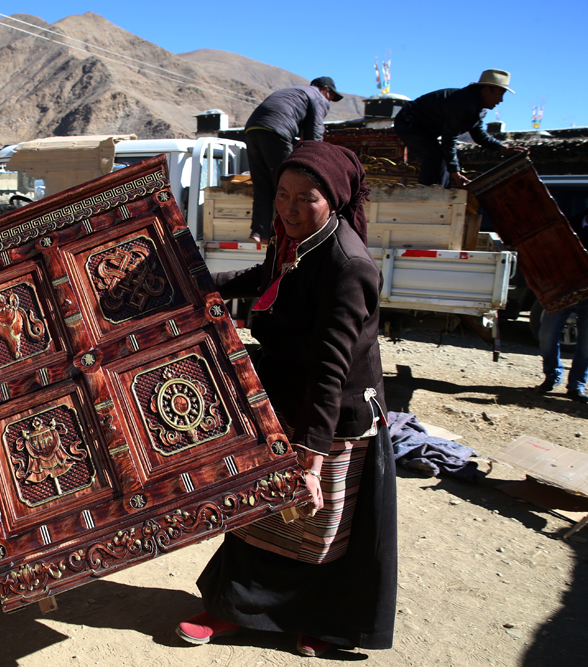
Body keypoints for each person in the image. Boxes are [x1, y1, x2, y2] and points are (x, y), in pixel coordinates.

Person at [176, 141, 397, 657]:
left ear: (335, 199)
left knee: (316, 523)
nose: (290, 209)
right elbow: (265, 278)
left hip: (332, 415)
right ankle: (231, 607)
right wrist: (201, 284)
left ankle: (317, 620)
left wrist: (312, 457)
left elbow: (330, 368)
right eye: (282, 195)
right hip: (280, 396)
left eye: (306, 199)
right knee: (255, 511)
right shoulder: (294, 240)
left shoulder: (349, 266)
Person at [245, 76, 344, 243]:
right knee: (286, 186)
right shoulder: (318, 96)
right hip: (277, 130)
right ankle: (283, 233)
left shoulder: (296, 93)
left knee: (262, 183)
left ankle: (259, 231)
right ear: (325, 89)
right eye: (331, 96)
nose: (329, 101)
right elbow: (315, 133)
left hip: (252, 129)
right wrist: (315, 163)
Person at [393, 69, 525, 188]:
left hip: (426, 129)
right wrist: (456, 174)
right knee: (435, 157)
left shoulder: (478, 109)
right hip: (409, 122)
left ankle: (439, 191)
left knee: (441, 158)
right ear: (486, 90)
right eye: (499, 94)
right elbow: (449, 139)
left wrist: (504, 148)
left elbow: (479, 135)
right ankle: (427, 194)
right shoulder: (463, 103)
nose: (501, 100)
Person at [536, 188, 588, 403]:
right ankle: (552, 377)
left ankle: (576, 385)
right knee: (547, 337)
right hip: (563, 292)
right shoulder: (567, 226)